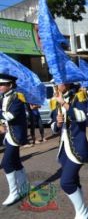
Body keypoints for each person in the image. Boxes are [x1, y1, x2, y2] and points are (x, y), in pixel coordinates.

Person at [51, 83, 88, 218]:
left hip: (77, 147)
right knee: (73, 180)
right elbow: (53, 126)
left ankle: (83, 211)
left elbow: (82, 117)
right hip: (64, 148)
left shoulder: (78, 96)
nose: (56, 85)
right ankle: (82, 209)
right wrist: (57, 123)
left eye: (58, 82)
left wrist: (65, 104)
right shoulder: (56, 100)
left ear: (67, 83)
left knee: (66, 182)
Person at [0, 73, 29, 206]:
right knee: (16, 162)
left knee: (6, 163)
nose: (0, 86)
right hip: (9, 134)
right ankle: (24, 188)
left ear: (10, 85)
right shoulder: (3, 97)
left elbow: (10, 115)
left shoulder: (17, 97)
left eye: (2, 84)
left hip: (16, 135)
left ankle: (14, 192)